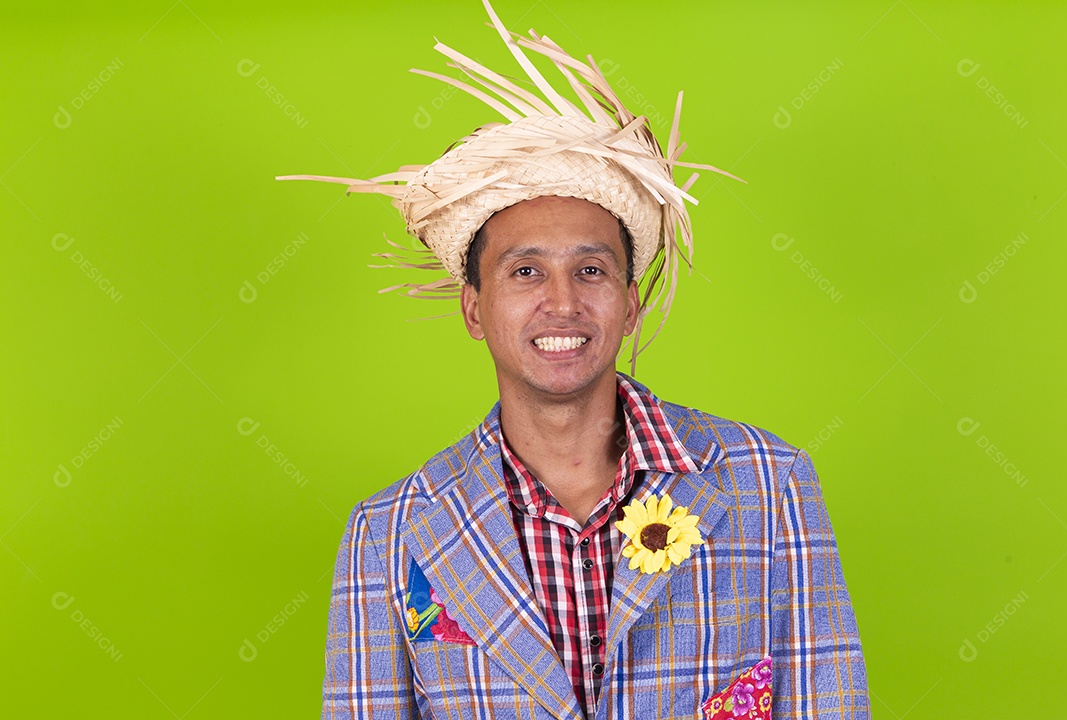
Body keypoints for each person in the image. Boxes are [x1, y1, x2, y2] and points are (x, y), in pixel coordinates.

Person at [278, 2, 869, 718]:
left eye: (590, 270)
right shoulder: (390, 535)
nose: (562, 303)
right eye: (525, 272)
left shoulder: (770, 489)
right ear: (474, 309)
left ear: (630, 304)